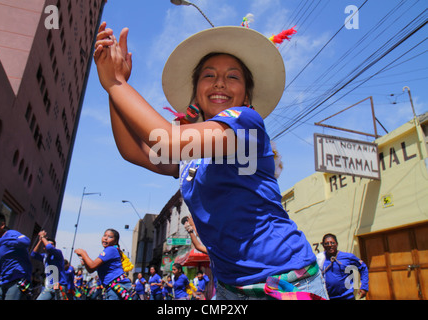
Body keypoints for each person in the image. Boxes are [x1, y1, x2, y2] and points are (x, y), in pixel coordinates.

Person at [93, 21, 328, 300]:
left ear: (247, 96)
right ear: (196, 94)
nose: (219, 82)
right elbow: (135, 152)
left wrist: (115, 82)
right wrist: (114, 88)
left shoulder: (246, 123)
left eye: (232, 76)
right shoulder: (191, 156)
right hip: (229, 288)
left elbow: (166, 139)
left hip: (286, 281)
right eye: (209, 75)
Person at [0, 212, 32, 300]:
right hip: (3, 283)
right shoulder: (1, 241)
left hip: (18, 280)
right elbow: (9, 264)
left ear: (2, 225)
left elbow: (26, 241)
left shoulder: (11, 234)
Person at [74, 228, 132, 300]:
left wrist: (83, 253)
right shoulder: (110, 250)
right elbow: (90, 269)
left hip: (116, 287)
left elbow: (92, 266)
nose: (106, 238)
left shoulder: (110, 249)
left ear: (115, 241)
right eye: (105, 236)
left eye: (110, 237)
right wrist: (84, 259)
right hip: (112, 287)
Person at [317, 233, 369, 300]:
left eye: (332, 243)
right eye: (326, 243)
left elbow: (363, 267)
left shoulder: (348, 257)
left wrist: (364, 287)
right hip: (329, 297)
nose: (330, 245)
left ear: (337, 244)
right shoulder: (320, 259)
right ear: (323, 245)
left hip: (347, 296)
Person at [31, 230, 68, 300]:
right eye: (47, 244)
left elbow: (49, 248)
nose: (50, 245)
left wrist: (42, 237)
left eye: (52, 244)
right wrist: (40, 240)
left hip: (59, 286)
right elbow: (33, 254)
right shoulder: (44, 256)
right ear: (44, 248)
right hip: (49, 287)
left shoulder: (58, 254)